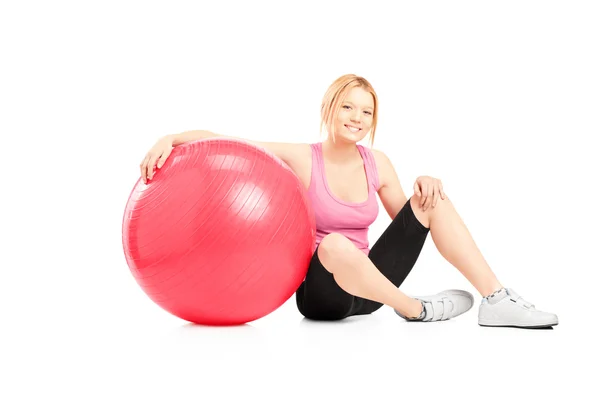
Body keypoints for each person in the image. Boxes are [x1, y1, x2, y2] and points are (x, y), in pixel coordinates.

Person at [139, 74, 558, 328]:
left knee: (435, 199)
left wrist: (426, 187)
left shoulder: (378, 163)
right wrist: (171, 138)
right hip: (324, 296)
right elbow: (227, 140)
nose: (357, 118)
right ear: (330, 108)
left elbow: (409, 222)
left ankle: (497, 299)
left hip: (372, 291)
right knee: (334, 243)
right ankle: (416, 310)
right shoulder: (304, 157)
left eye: (367, 113)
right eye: (348, 107)